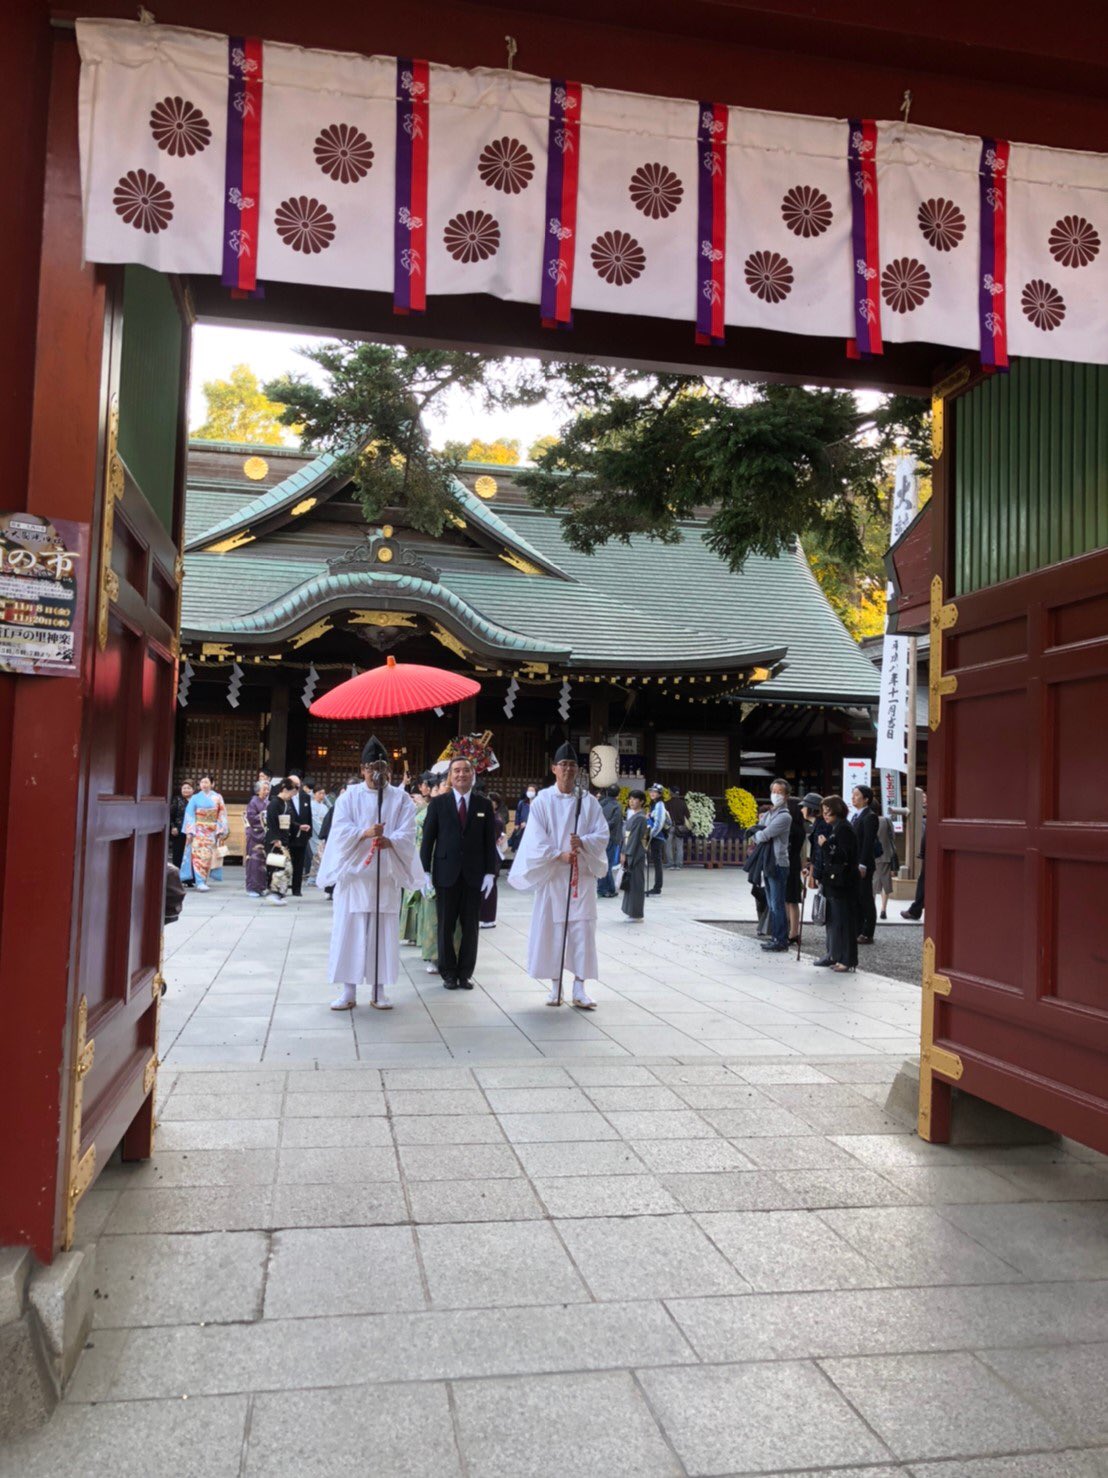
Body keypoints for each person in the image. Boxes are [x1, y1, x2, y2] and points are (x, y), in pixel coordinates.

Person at [319, 737, 423, 1010]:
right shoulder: (349, 797)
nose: (376, 773)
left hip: (384, 876)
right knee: (349, 933)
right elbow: (339, 831)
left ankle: (379, 990)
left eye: (382, 767)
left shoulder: (401, 798)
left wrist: (390, 840)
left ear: (388, 769)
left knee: (381, 936)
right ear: (362, 768)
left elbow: (408, 832)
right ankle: (348, 990)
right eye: (371, 767)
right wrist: (364, 833)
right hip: (355, 878)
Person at [508, 742, 609, 1008]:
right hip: (554, 875)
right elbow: (534, 838)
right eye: (563, 765)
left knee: (582, 930)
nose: (567, 769)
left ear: (578, 771)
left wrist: (583, 842)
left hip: (581, 876)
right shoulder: (542, 800)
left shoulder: (587, 802)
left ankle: (579, 987)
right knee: (553, 930)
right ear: (554, 769)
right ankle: (555, 986)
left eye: (572, 765)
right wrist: (558, 854)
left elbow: (602, 834)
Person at [420, 757, 498, 990]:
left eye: (466, 770)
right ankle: (448, 973)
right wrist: (424, 872)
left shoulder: (483, 805)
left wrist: (490, 873)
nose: (461, 774)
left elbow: (489, 842)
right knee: (445, 926)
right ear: (450, 776)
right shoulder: (438, 804)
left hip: (474, 875)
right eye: (456, 771)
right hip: (446, 873)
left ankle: (465, 973)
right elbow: (427, 841)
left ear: (473, 775)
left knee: (471, 927)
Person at [817, 794, 859, 972]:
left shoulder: (844, 829)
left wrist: (826, 846)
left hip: (843, 881)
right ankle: (840, 956)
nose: (825, 815)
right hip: (835, 881)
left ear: (837, 811)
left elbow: (843, 855)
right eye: (824, 812)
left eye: (828, 812)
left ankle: (847, 959)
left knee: (843, 921)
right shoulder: (838, 828)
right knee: (836, 921)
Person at [749, 779, 792, 951]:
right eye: (774, 791)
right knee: (771, 902)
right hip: (768, 861)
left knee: (777, 903)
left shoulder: (785, 816)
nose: (776, 795)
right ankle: (775, 936)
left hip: (778, 862)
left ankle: (781, 939)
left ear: (786, 795)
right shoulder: (771, 813)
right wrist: (757, 831)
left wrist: (757, 832)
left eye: (780, 792)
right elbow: (756, 829)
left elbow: (762, 834)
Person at [181, 774, 228, 892]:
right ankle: (199, 881)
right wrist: (190, 831)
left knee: (208, 857)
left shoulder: (217, 797)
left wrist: (220, 829)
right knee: (198, 856)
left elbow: (221, 813)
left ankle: (204, 880)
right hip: (198, 830)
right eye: (202, 782)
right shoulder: (195, 798)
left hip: (211, 831)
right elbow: (190, 815)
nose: (204, 784)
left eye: (207, 782)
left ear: (212, 784)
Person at [851, 784, 879, 943]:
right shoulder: (856, 815)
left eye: (857, 795)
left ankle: (868, 932)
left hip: (864, 864)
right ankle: (858, 929)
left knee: (865, 897)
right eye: (853, 794)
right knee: (857, 897)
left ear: (866, 799)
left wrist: (862, 864)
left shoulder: (870, 816)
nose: (853, 797)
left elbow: (867, 842)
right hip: (855, 862)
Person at [263, 777, 296, 905]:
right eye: (291, 792)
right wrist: (275, 839)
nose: (291, 796)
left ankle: (279, 893)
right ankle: (274, 893)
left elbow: (289, 821)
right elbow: (271, 822)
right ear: (284, 790)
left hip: (283, 838)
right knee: (279, 867)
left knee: (285, 867)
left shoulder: (285, 803)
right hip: (276, 840)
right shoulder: (274, 803)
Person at [478, 790, 508, 928]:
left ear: (496, 804)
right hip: (487, 854)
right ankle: (483, 916)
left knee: (490, 887)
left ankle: (488, 918)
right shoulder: (489, 817)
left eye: (491, 802)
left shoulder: (495, 819)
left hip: (492, 855)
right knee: (485, 887)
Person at [620, 789, 649, 922]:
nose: (631, 801)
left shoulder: (640, 818)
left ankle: (636, 913)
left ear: (642, 801)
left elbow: (634, 838)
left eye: (635, 799)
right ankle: (631, 911)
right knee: (631, 882)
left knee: (636, 882)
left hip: (635, 853)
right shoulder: (634, 816)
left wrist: (626, 853)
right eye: (630, 798)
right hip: (631, 850)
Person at [285, 771, 314, 897]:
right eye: (293, 784)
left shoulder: (305, 797)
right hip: (288, 835)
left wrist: (309, 833)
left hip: (302, 836)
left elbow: (309, 816)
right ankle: (283, 887)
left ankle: (297, 889)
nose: (296, 786)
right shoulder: (284, 797)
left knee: (299, 863)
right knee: (285, 863)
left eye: (298, 784)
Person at [784, 796, 806, 943]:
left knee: (790, 899)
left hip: (789, 864)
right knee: (790, 899)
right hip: (794, 863)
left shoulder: (792, 828)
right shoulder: (800, 827)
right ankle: (792, 930)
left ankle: (793, 932)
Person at [244, 776, 270, 897]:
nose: (266, 791)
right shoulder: (253, 802)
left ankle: (261, 886)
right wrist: (264, 816)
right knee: (254, 862)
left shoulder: (268, 802)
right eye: (264, 789)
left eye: (267, 789)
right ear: (258, 791)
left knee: (263, 862)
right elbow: (251, 818)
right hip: (255, 834)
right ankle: (252, 887)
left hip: (264, 834)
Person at [596, 784, 624, 898]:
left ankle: (609, 888)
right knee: (608, 863)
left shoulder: (600, 803)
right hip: (611, 837)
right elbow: (614, 822)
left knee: (602, 862)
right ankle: (605, 888)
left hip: (599, 836)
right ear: (618, 795)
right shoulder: (617, 806)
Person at [873, 803, 898, 920]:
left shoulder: (866, 820)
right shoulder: (886, 821)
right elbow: (892, 836)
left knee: (872, 883)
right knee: (885, 882)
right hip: (885, 855)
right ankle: (883, 909)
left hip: (871, 856)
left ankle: (871, 908)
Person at [645, 783, 669, 895]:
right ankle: (657, 887)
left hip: (657, 837)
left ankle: (657, 887)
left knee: (657, 862)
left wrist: (651, 835)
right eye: (651, 791)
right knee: (656, 862)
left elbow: (659, 823)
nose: (652, 793)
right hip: (656, 836)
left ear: (660, 794)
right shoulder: (654, 804)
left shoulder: (659, 804)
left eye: (655, 792)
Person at [307, 783, 331, 883]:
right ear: (315, 794)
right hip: (315, 833)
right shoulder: (311, 805)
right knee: (317, 855)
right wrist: (322, 832)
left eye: (323, 793)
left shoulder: (325, 807)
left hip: (322, 833)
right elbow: (314, 821)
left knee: (320, 856)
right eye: (320, 793)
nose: (322, 795)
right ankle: (313, 878)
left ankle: (314, 878)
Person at [169, 780, 193, 871]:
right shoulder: (177, 799)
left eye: (188, 788)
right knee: (178, 853)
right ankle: (177, 876)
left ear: (193, 790)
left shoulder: (195, 800)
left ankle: (189, 879)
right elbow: (171, 814)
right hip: (179, 830)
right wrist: (173, 826)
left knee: (190, 854)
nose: (186, 790)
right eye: (184, 788)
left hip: (192, 830)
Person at [665, 788, 690, 870]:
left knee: (668, 846)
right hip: (680, 827)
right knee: (679, 846)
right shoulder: (683, 803)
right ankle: (679, 864)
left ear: (671, 793)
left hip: (669, 827)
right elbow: (688, 815)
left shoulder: (667, 803)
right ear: (678, 794)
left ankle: (670, 864)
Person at [509, 783, 537, 853]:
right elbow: (518, 813)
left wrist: (527, 823)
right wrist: (516, 824)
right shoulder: (522, 803)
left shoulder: (538, 803)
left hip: (533, 827)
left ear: (536, 792)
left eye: (532, 791)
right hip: (522, 826)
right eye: (529, 790)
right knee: (520, 840)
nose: (530, 792)